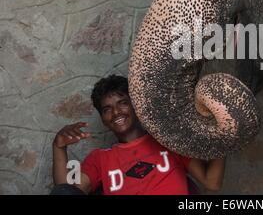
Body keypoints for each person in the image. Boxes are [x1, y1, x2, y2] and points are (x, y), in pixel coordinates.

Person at [51, 75, 225, 195]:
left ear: (136, 105)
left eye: (123, 103)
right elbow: (67, 191)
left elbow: (212, 182)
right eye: (107, 109)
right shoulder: (100, 159)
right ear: (103, 119)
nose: (116, 112)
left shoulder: (166, 139)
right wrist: (59, 147)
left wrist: (226, 134)